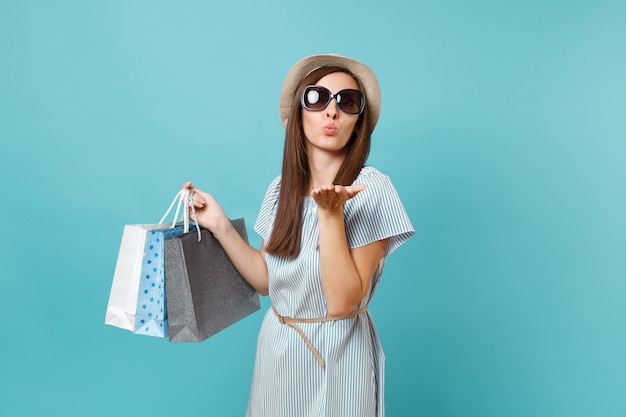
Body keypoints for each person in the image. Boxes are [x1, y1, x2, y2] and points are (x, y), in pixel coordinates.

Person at [183, 54, 414, 417]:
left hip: (341, 353)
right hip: (279, 347)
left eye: (347, 102)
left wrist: (331, 214)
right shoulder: (280, 190)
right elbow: (266, 281)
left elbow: (342, 303)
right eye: (317, 98)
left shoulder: (373, 189)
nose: (332, 111)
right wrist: (220, 225)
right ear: (298, 113)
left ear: (358, 122)